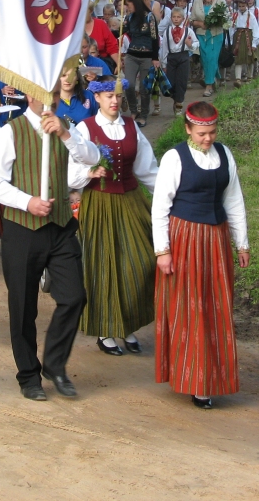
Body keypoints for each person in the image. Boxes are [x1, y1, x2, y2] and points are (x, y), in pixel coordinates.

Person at [0, 89, 100, 400]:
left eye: (55, 94)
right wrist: (27, 201)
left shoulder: (66, 127)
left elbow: (91, 157)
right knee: (23, 307)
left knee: (74, 296)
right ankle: (28, 375)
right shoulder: (11, 131)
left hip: (61, 225)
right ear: (30, 95)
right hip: (23, 228)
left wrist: (64, 133)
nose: (52, 99)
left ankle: (54, 363)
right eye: (44, 93)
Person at [152, 101, 250, 409]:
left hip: (216, 239)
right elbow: (160, 208)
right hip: (185, 239)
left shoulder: (224, 154)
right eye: (202, 133)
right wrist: (163, 251)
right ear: (188, 130)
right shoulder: (174, 158)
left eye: (212, 133)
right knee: (190, 309)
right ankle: (192, 379)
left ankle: (211, 377)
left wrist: (241, 243)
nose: (208, 139)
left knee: (216, 307)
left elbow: (233, 198)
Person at [67, 77, 159, 356]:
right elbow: (70, 170)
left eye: (118, 95)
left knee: (141, 261)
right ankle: (106, 330)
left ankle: (128, 324)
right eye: (108, 95)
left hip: (131, 200)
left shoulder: (131, 126)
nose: (114, 100)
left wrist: (171, 197)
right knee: (105, 264)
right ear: (97, 98)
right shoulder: (85, 128)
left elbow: (148, 169)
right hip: (100, 203)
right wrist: (88, 173)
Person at [122, 0, 159, 127]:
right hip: (131, 55)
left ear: (135, 3)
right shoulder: (129, 17)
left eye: (128, 4)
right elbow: (122, 31)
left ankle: (143, 114)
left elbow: (155, 39)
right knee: (129, 84)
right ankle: (133, 110)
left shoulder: (150, 17)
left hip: (147, 57)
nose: (126, 7)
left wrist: (155, 58)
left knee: (144, 88)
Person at [190, 0, 229, 98]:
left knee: (212, 58)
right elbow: (192, 20)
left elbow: (226, 17)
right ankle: (215, 77)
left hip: (215, 34)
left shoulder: (220, 1)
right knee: (204, 59)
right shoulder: (197, 1)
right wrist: (201, 24)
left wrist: (215, 22)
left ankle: (208, 86)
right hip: (201, 34)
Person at [159, 6, 199, 116]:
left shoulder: (188, 31)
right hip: (171, 58)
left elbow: (196, 43)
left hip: (183, 57)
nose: (176, 19)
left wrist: (190, 45)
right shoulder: (167, 32)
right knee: (171, 82)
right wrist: (164, 63)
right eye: (174, 17)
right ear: (171, 18)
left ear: (183, 18)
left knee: (182, 81)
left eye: (178, 17)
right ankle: (176, 99)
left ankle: (179, 105)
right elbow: (164, 48)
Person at [230, 0, 259, 86]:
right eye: (240, 6)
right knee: (238, 58)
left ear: (247, 5)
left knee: (249, 58)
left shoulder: (251, 16)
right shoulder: (235, 15)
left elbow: (255, 29)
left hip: (248, 36)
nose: (241, 8)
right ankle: (238, 79)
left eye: (243, 6)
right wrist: (231, 41)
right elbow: (232, 28)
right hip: (238, 36)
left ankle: (249, 76)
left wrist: (254, 43)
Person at [84, 3, 120, 73]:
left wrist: (118, 63)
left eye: (85, 11)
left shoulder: (101, 24)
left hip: (101, 64)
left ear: (91, 11)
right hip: (80, 64)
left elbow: (112, 46)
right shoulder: (73, 27)